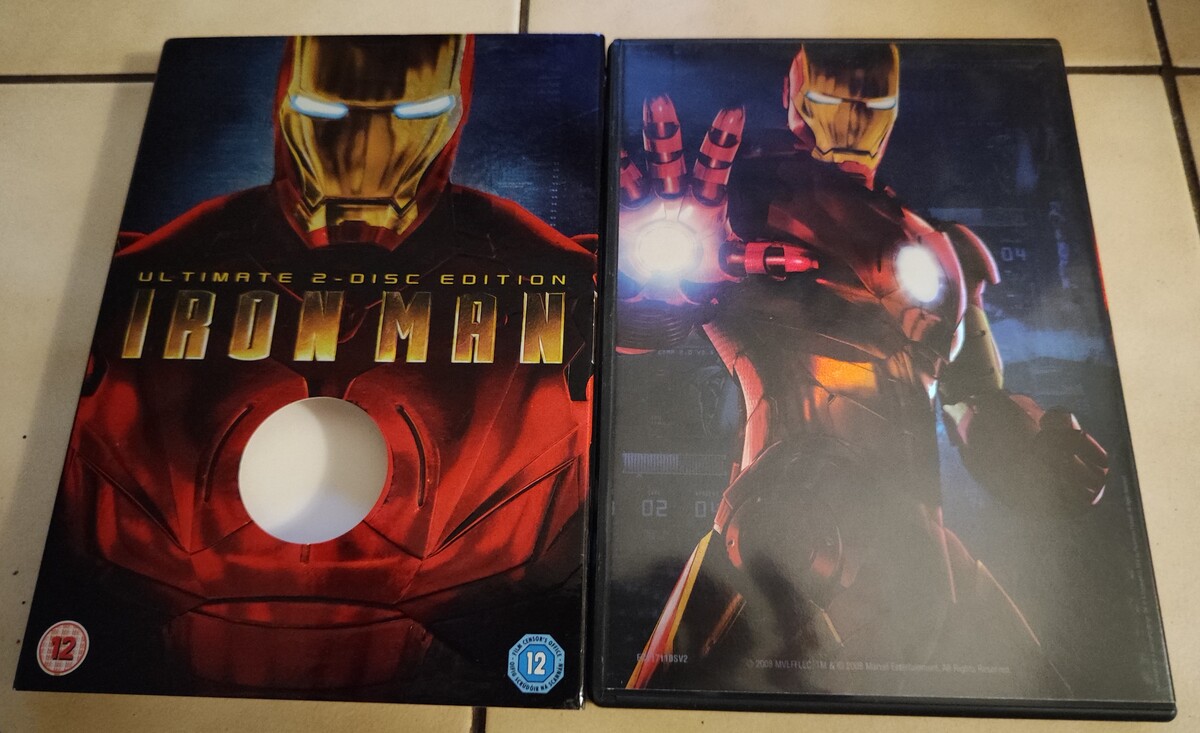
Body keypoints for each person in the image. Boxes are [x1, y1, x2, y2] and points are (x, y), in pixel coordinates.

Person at [60, 35, 595, 694]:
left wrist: (663, 312)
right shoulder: (154, 270)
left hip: (472, 645)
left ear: (454, 112)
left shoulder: (546, 269)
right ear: (284, 105)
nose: (366, 151)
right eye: (327, 113)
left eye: (411, 115)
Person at [618, 42, 1106, 695]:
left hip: (916, 535)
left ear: (894, 107)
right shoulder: (741, 203)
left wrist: (1035, 457)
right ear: (794, 99)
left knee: (1042, 695)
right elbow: (647, 315)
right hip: (790, 513)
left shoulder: (943, 247)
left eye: (870, 102)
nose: (850, 120)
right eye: (829, 99)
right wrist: (653, 286)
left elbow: (973, 399)